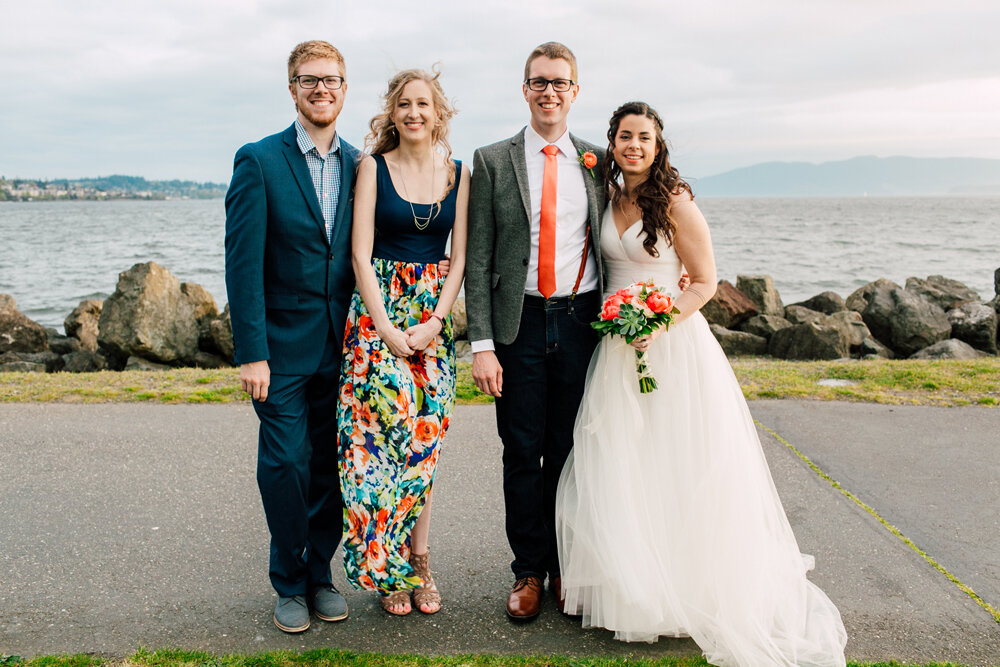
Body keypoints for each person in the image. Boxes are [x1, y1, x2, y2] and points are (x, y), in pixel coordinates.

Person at [555, 101, 848, 666]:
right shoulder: (606, 197)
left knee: (677, 461)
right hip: (614, 349)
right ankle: (628, 585)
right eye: (623, 137)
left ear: (658, 146)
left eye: (643, 137)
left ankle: (686, 586)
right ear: (611, 144)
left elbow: (706, 282)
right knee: (618, 460)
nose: (633, 146)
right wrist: (626, 326)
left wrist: (656, 322)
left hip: (670, 348)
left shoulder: (677, 204)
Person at [465, 42, 606, 622]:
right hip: (517, 323)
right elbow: (477, 260)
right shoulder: (493, 159)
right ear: (525, 90)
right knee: (522, 451)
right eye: (539, 81)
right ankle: (528, 571)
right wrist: (481, 344)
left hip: (580, 323)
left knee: (571, 451)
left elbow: (631, 221)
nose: (549, 91)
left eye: (560, 82)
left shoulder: (601, 161)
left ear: (575, 92)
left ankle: (566, 568)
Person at [224, 41, 356, 633]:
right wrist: (251, 350)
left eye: (330, 80)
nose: (320, 89)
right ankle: (287, 581)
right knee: (285, 464)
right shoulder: (258, 161)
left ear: (344, 88)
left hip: (344, 345)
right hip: (276, 350)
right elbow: (242, 264)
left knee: (329, 466)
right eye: (309, 80)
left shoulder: (362, 163)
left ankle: (320, 575)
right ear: (292, 89)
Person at [338, 68, 469, 617]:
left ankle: (420, 561)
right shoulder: (372, 166)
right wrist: (386, 328)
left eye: (424, 103)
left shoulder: (461, 174)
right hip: (376, 317)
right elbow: (359, 255)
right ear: (392, 113)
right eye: (404, 104)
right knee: (371, 451)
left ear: (438, 112)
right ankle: (385, 565)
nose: (414, 112)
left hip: (431, 320)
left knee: (421, 449)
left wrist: (437, 320)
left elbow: (459, 257)